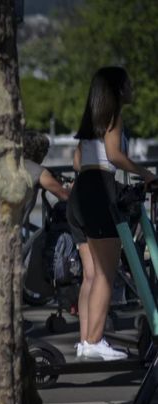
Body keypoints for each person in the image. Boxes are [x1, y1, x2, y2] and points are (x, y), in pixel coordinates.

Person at [70, 66, 156, 361]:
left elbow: (77, 161)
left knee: (91, 276)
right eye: (129, 83)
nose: (132, 87)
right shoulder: (114, 116)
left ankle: (85, 341)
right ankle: (95, 341)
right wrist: (145, 173)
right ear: (118, 89)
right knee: (106, 274)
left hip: (81, 192)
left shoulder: (90, 120)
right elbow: (115, 155)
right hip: (99, 191)